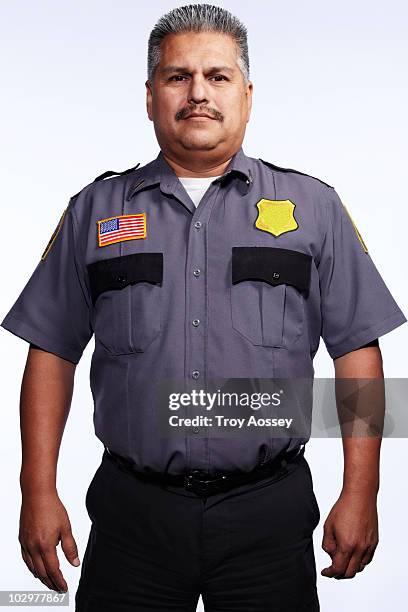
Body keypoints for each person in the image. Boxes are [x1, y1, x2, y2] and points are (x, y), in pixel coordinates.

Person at [1, 3, 406, 611]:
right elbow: (51, 353)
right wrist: (37, 490)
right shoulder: (94, 210)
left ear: (246, 93)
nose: (197, 93)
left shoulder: (315, 208)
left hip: (267, 515)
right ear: (149, 96)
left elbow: (357, 354)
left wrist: (361, 492)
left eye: (216, 77)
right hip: (132, 516)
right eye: (176, 76)